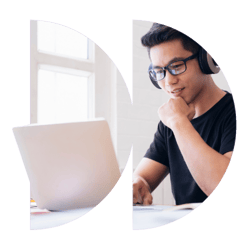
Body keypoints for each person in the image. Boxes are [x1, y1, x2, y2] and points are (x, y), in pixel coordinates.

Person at [132, 23, 237, 206]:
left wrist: (179, 122)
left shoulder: (234, 111)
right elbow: (142, 177)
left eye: (177, 66)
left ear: (206, 60)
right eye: (159, 71)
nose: (169, 81)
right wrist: (138, 184)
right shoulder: (169, 123)